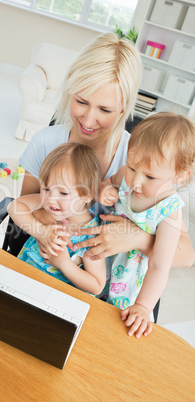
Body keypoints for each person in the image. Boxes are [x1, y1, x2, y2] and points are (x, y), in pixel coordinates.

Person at [10, 33, 194, 282]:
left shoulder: (140, 163)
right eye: (81, 101)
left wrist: (138, 238)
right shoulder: (45, 141)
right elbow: (29, 209)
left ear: (123, 108)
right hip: (45, 267)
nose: (87, 120)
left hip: (101, 288)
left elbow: (187, 255)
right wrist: (54, 227)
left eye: (105, 110)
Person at [98, 112, 195, 337]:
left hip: (128, 288)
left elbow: (159, 266)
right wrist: (107, 190)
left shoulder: (170, 212)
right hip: (98, 265)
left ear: (180, 176)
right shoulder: (125, 176)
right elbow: (108, 182)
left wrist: (143, 307)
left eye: (150, 177)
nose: (136, 181)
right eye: (132, 168)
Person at [9, 143, 107, 296]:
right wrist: (41, 232)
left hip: (52, 299)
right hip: (19, 279)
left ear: (87, 195)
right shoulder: (47, 204)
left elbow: (97, 285)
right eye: (46, 188)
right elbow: (14, 207)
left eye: (63, 193)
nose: (51, 199)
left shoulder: (91, 235)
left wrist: (64, 264)